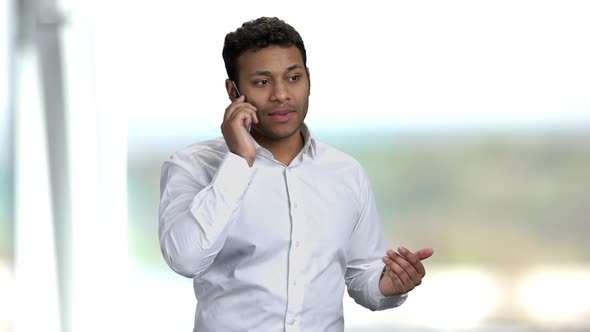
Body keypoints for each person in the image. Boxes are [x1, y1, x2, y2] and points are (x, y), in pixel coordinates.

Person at [158, 16, 434, 332]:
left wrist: (389, 284)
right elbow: (186, 260)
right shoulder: (192, 166)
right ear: (233, 91)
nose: (281, 95)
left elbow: (361, 276)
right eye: (262, 82)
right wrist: (238, 161)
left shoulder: (345, 173)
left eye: (293, 77)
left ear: (308, 79)